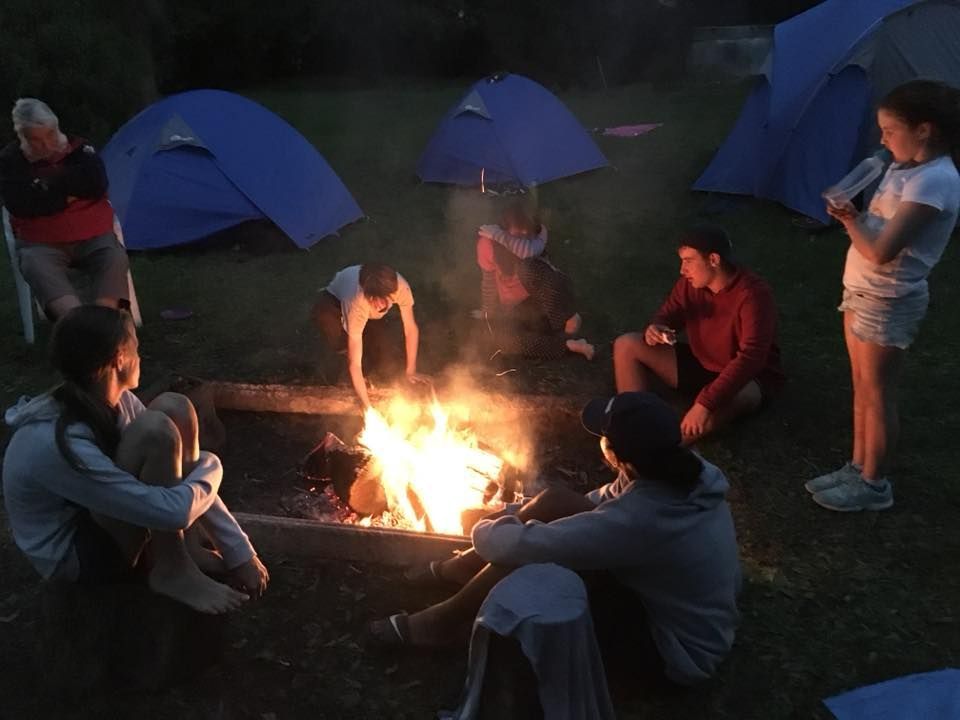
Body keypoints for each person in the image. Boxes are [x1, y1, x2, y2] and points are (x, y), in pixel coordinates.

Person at [370, 391, 741, 688]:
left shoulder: (643, 519)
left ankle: (439, 624)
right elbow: (599, 502)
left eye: (604, 436)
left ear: (618, 455)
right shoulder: (678, 469)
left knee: (533, 558)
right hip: (662, 604)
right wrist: (523, 513)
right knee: (556, 501)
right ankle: (457, 570)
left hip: (673, 652)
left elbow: (521, 545)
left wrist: (488, 525)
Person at [2, 306, 269, 614]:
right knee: (157, 432)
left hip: (99, 515)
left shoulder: (117, 400)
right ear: (119, 357)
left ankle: (186, 550)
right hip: (75, 554)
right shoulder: (55, 442)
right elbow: (173, 511)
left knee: (175, 407)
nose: (141, 356)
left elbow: (179, 485)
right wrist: (212, 465)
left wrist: (239, 551)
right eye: (136, 348)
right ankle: (172, 570)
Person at [806, 79, 960, 512]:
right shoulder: (903, 166)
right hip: (861, 292)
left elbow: (881, 250)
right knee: (861, 387)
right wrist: (856, 215)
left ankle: (875, 484)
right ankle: (858, 466)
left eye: (890, 130)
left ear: (924, 131)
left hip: (889, 299)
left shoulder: (935, 182)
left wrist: (848, 217)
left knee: (878, 392)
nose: (882, 139)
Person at [612, 225, 784, 443]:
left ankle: (663, 448)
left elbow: (750, 358)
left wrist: (704, 404)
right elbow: (670, 311)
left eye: (688, 261)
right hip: (703, 362)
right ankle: (633, 422)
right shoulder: (690, 284)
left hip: (748, 376)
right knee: (627, 344)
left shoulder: (753, 295)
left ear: (713, 259)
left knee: (742, 395)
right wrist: (658, 326)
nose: (682, 270)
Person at [0, 98, 130, 321]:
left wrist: (45, 186)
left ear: (56, 127)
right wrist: (68, 194)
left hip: (93, 237)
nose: (46, 144)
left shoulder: (81, 150)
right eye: (36, 140)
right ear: (23, 138)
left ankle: (106, 324)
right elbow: (20, 204)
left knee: (114, 258)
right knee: (35, 265)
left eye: (50, 134)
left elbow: (96, 184)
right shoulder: (11, 161)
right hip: (41, 243)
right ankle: (77, 324)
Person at [475, 207, 593, 361]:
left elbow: (527, 252)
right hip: (520, 311)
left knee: (527, 267)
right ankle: (566, 345)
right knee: (502, 338)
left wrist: (501, 237)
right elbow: (489, 282)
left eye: (527, 232)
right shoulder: (487, 244)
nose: (524, 235)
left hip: (549, 301)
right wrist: (487, 311)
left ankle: (568, 319)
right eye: (518, 232)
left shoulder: (540, 234)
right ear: (505, 226)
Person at [312, 263, 428, 409]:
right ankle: (345, 378)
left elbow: (410, 328)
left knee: (381, 346)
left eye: (382, 299)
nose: (379, 304)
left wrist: (411, 371)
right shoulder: (355, 301)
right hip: (332, 301)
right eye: (373, 299)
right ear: (366, 293)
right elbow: (355, 363)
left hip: (365, 308)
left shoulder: (401, 287)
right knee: (340, 339)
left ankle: (371, 376)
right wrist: (367, 407)